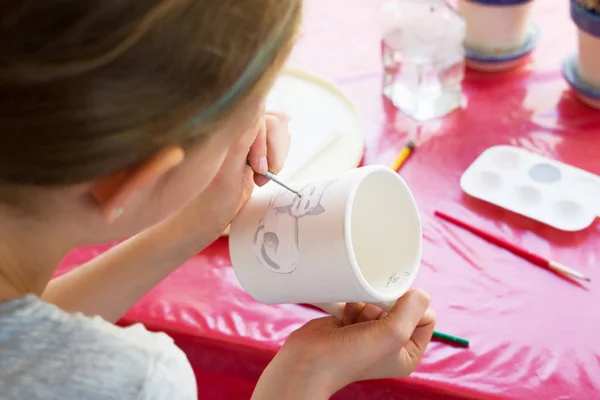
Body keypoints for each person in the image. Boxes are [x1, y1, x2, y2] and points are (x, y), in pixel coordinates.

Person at [0, 1, 436, 399]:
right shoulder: (132, 381)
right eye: (240, 133)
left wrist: (194, 222)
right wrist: (305, 377)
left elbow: (23, 338)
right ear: (136, 179)